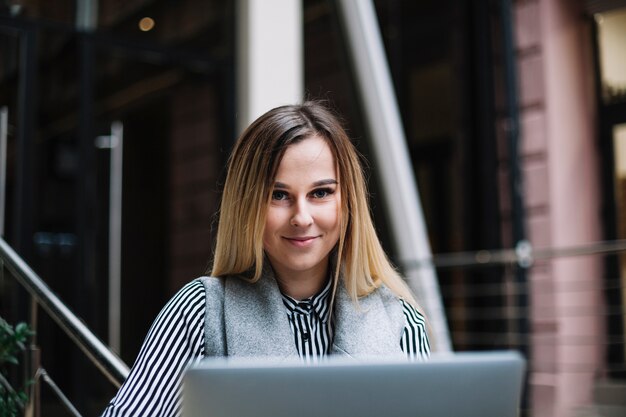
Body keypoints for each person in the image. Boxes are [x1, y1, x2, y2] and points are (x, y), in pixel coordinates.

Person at [102, 101, 430, 417]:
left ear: (348, 203)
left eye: (321, 193)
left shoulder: (399, 317)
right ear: (246, 206)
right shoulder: (200, 313)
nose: (302, 217)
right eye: (278, 195)